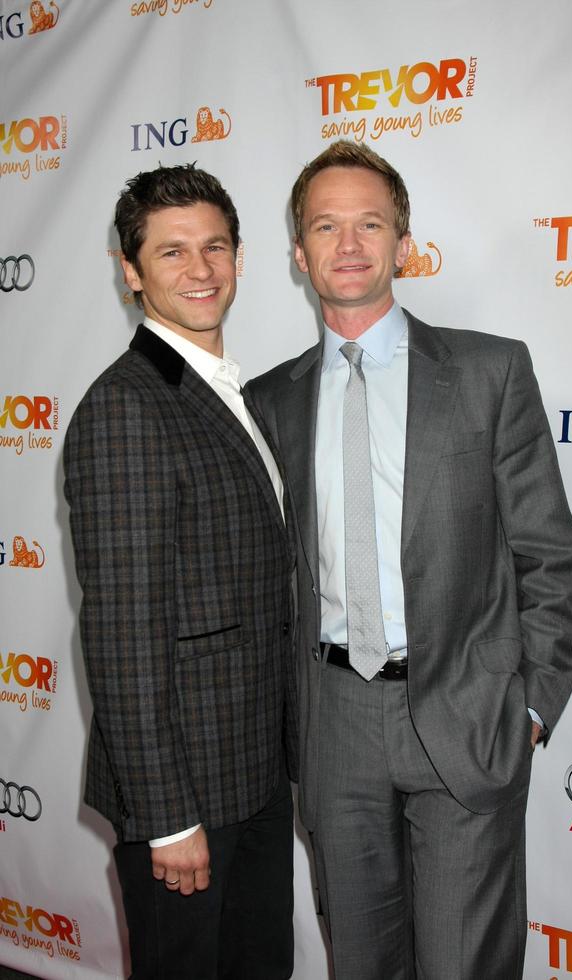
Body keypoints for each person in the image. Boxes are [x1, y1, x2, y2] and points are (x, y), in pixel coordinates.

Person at [246, 140, 572, 979]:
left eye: (370, 223)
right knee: (360, 962)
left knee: (465, 963)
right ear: (298, 250)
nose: (349, 244)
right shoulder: (270, 400)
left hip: (467, 713)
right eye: (327, 226)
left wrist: (532, 705)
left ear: (403, 241)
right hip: (332, 722)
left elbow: (546, 552)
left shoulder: (488, 371)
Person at [64, 164, 297, 980]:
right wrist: (167, 820)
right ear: (131, 273)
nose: (200, 270)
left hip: (257, 775)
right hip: (187, 795)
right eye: (171, 253)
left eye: (215, 247)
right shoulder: (128, 405)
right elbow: (124, 631)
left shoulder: (237, 393)